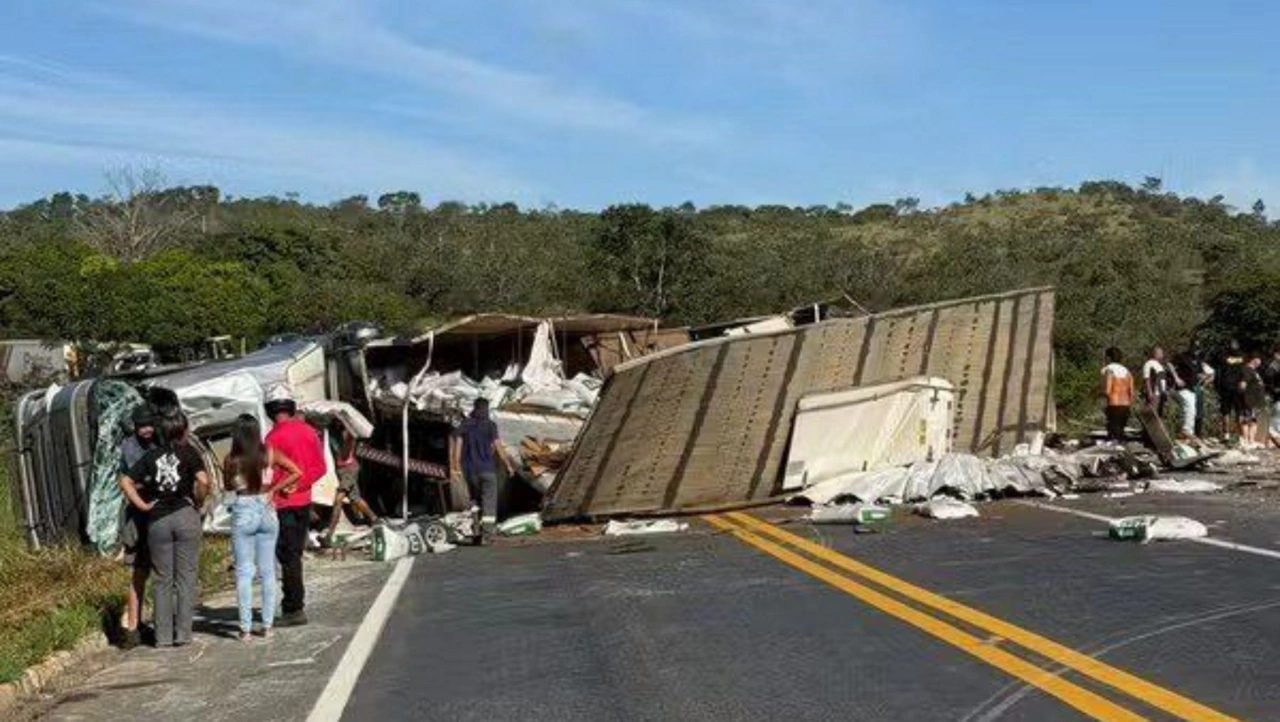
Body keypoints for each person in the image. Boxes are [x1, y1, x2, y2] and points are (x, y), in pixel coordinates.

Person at [119, 412, 209, 648]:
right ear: (182, 431)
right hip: (184, 514)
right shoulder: (189, 452)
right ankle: (183, 634)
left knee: (162, 579)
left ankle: (162, 637)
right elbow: (204, 481)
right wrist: (198, 501)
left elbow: (125, 481)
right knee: (186, 577)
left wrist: (142, 504)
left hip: (157, 520)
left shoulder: (150, 456)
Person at [224, 415, 302, 641]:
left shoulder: (231, 459)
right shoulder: (269, 453)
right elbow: (297, 471)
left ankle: (245, 629)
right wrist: (274, 489)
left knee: (244, 572)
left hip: (244, 510)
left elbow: (229, 486)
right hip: (267, 508)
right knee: (268, 571)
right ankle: (267, 626)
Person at [263, 386, 326, 628]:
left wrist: (284, 488)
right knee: (295, 554)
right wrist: (301, 486)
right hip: (304, 502)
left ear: (269, 410)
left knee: (288, 557)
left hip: (282, 505)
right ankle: (294, 604)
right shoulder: (309, 431)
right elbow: (320, 467)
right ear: (291, 406)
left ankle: (294, 607)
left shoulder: (271, 438)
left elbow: (268, 475)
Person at [449, 398, 517, 544]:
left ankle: (476, 533)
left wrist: (455, 466)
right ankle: (486, 535)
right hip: (487, 470)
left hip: (470, 471)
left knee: (475, 502)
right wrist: (508, 465)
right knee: (489, 502)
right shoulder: (491, 425)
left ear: (475, 408)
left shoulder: (466, 424)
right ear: (486, 409)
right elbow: (498, 447)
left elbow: (458, 445)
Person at [118, 405, 156, 650]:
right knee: (139, 571)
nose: (147, 430)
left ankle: (148, 623)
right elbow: (136, 479)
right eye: (142, 426)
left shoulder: (158, 439)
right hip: (138, 515)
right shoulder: (129, 447)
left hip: (158, 512)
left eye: (149, 425)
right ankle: (132, 627)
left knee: (159, 571)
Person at [323, 422, 379, 545]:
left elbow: (347, 444)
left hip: (348, 470)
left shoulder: (348, 436)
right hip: (346, 469)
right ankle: (375, 519)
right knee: (355, 498)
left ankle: (329, 534)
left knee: (338, 500)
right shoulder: (338, 435)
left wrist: (348, 433)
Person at [1171, 341, 1211, 441]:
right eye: (1194, 348)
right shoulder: (1182, 356)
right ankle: (1186, 431)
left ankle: (1189, 435)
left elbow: (1203, 373)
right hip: (1182, 387)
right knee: (1190, 407)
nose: (1196, 351)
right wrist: (1176, 378)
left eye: (1198, 349)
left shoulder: (1198, 360)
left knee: (1193, 411)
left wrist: (1204, 377)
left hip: (1193, 388)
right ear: (1191, 347)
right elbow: (1169, 364)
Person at [1101, 347, 1134, 442]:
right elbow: (1131, 392)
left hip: (1114, 404)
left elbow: (1107, 390)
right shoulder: (1127, 371)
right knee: (1120, 434)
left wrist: (1097, 394)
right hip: (1126, 405)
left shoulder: (1109, 369)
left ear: (1108, 357)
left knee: (1113, 434)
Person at [1216, 340, 1246, 440]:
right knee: (1229, 411)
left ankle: (1238, 436)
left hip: (1234, 386)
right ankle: (1228, 434)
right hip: (1228, 386)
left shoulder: (1224, 356)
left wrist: (1243, 381)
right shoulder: (1241, 356)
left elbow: (1218, 372)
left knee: (1235, 411)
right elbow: (1219, 372)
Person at [1241, 355, 1267, 449]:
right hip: (1250, 400)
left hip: (1255, 400)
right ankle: (1246, 441)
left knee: (1253, 420)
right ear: (1253, 359)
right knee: (1248, 420)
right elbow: (1243, 384)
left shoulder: (1254, 371)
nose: (1260, 362)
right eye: (1259, 360)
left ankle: (1251, 440)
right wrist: (1245, 397)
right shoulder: (1247, 369)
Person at [1141, 346, 1172, 418]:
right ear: (1155, 353)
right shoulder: (1149, 363)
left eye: (1162, 353)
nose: (1162, 354)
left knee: (1158, 414)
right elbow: (1147, 379)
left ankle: (1154, 428)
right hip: (1154, 393)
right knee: (1151, 413)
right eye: (1160, 353)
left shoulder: (1159, 365)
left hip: (1161, 393)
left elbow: (1162, 380)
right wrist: (1150, 392)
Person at [1264, 345, 1280, 448]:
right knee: (1275, 426)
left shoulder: (1273, 367)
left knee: (1273, 427)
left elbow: (1269, 384)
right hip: (1277, 399)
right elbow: (1269, 384)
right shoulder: (1273, 367)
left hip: (1277, 399)